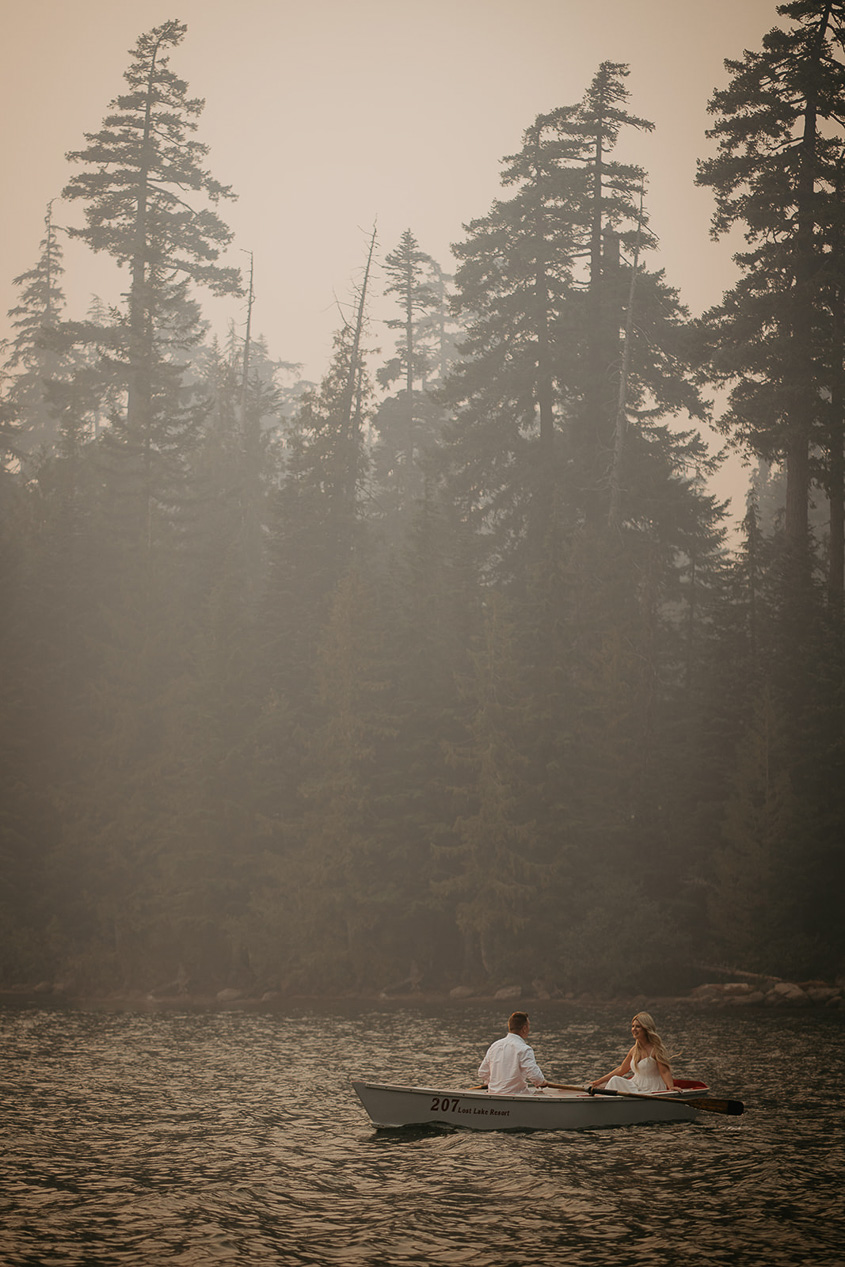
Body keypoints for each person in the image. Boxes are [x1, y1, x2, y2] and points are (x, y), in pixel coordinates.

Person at [590, 1012, 675, 1094]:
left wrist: (671, 1087)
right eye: (633, 1026)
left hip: (652, 1087)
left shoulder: (656, 1049)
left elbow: (665, 1072)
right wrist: (599, 1081)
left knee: (614, 1081)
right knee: (614, 1080)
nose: (634, 1029)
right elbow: (621, 1069)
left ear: (646, 1029)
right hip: (635, 1084)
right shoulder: (634, 1050)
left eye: (638, 1026)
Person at [478, 1011, 549, 1095]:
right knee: (542, 1094)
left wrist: (495, 1084)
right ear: (524, 1028)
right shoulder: (524, 1049)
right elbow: (535, 1077)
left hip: (493, 1093)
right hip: (516, 1094)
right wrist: (541, 1082)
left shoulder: (494, 1046)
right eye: (528, 1026)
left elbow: (482, 1072)